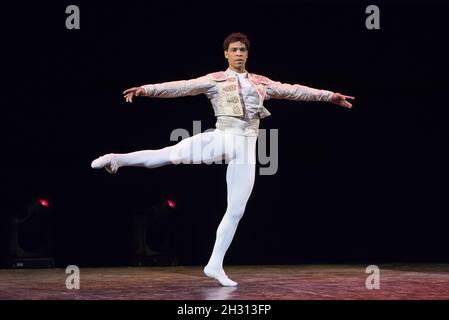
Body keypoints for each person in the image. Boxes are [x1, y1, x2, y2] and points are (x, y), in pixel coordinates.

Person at [91, 32, 354, 286]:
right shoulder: (214, 79)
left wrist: (330, 96)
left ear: (247, 54)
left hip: (247, 146)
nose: (239, 54)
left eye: (243, 50)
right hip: (221, 137)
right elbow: (182, 87)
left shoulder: (261, 82)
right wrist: (146, 89)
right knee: (168, 155)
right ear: (226, 54)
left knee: (237, 209)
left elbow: (295, 90)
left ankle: (214, 265)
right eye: (234, 50)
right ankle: (116, 159)